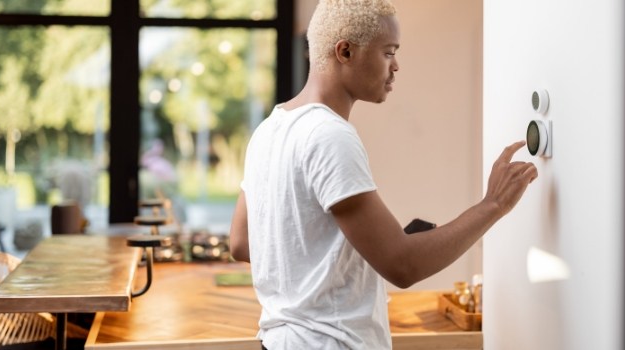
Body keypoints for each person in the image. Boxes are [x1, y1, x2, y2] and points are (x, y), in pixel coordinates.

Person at [229, 0, 538, 349]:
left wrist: (354, 248)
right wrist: (493, 205)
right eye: (388, 52)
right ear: (344, 51)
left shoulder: (270, 129)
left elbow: (242, 242)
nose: (396, 66)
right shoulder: (329, 135)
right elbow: (402, 265)